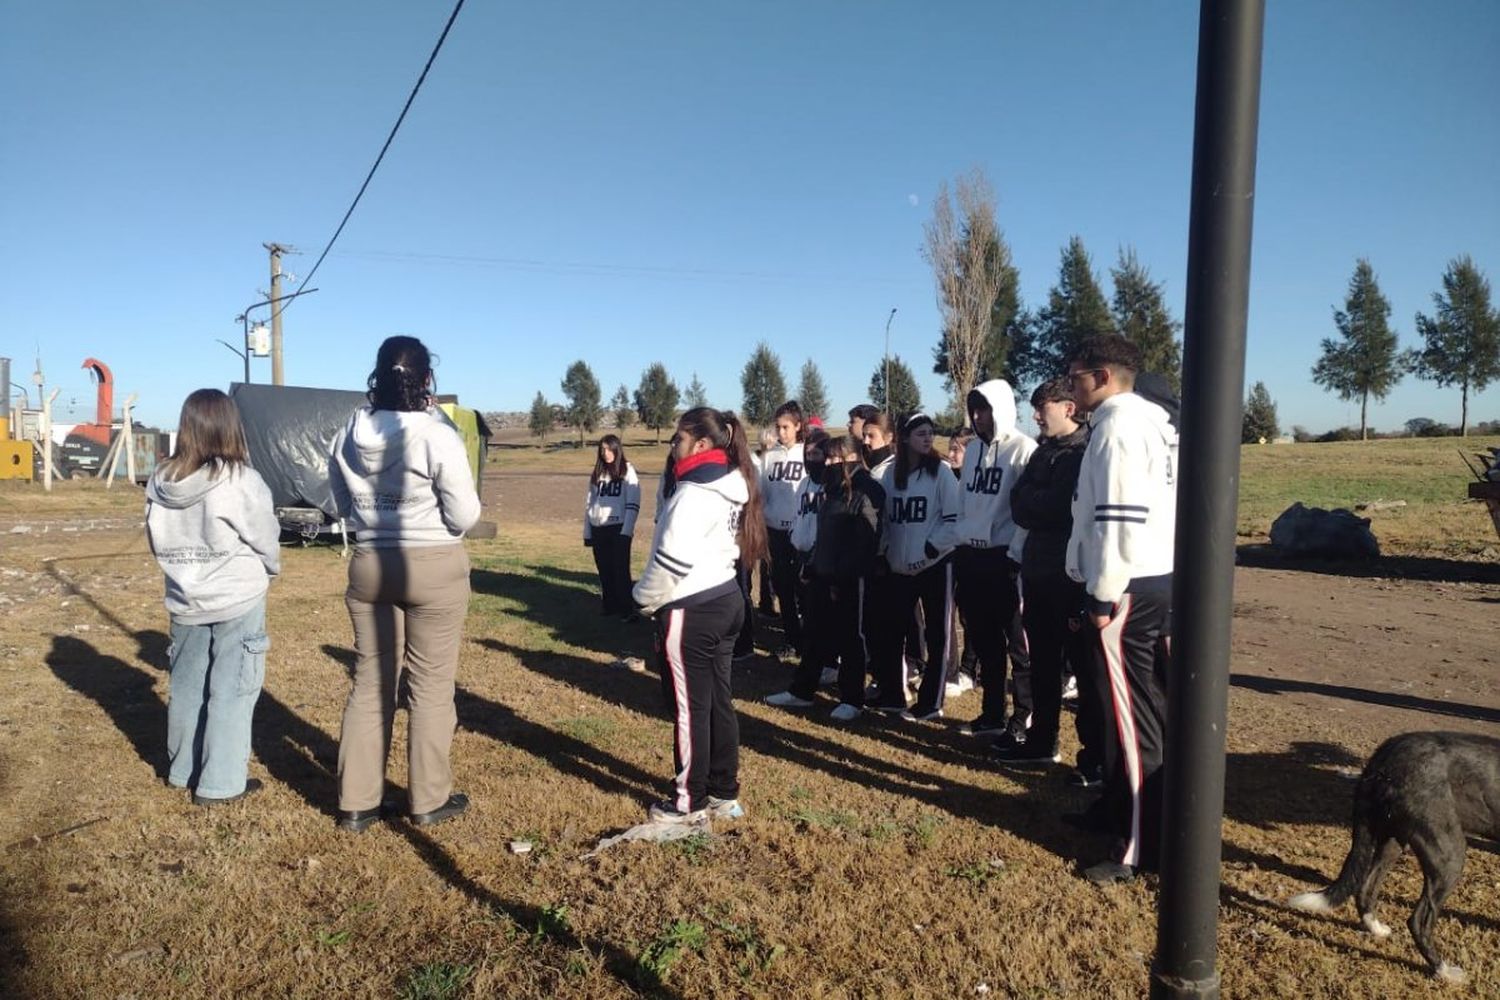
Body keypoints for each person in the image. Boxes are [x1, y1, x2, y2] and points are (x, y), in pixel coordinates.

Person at [329, 336, 482, 833]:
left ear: (376, 376)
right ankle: (429, 799)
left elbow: (342, 503)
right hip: (432, 564)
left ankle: (356, 802)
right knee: (431, 687)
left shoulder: (348, 432)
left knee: (370, 683)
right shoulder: (437, 435)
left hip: (370, 562)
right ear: (427, 379)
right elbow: (464, 514)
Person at [1063, 335, 1178, 885]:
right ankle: (1115, 808)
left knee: (1135, 720)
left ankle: (1139, 847)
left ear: (1103, 376)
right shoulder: (1151, 422)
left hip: (1128, 585)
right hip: (1154, 579)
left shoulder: (1118, 426)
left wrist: (1102, 593)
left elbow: (1118, 521)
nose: (1072, 386)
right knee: (1129, 711)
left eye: (1077, 375)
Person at [146, 389, 280, 806]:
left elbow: (156, 539)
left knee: (186, 687)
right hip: (237, 597)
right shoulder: (241, 481)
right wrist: (270, 569)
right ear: (230, 426)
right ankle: (220, 783)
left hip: (185, 598)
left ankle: (182, 769)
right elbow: (265, 536)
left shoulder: (160, 480)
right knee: (234, 689)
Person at [633, 407, 767, 823]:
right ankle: (724, 792)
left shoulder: (693, 493)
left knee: (691, 709)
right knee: (716, 701)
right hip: (726, 599)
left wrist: (640, 598)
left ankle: (688, 802)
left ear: (702, 444)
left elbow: (670, 564)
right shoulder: (731, 482)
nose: (673, 445)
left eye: (678, 438)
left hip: (692, 607)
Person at [999, 378, 1097, 777]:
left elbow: (1060, 508)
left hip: (1070, 576)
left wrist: (1035, 501)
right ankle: (1042, 741)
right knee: (1041, 663)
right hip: (1037, 569)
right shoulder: (1043, 452)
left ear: (1068, 408)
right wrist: (1035, 501)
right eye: (1034, 408)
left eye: (1043, 408)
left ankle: (1094, 759)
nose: (1035, 415)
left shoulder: (1083, 452)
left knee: (1083, 669)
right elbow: (1018, 502)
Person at [765, 435, 884, 720]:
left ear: (852, 457)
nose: (827, 463)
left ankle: (852, 699)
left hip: (851, 579)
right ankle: (802, 690)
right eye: (826, 457)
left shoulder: (868, 491)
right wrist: (815, 565)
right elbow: (824, 533)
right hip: (824, 573)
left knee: (851, 639)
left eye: (833, 458)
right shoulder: (833, 488)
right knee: (815, 634)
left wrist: (840, 578)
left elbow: (865, 541)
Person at [952, 380, 1038, 740]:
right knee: (985, 639)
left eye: (984, 408)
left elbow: (1027, 511)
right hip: (971, 555)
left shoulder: (1024, 450)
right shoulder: (972, 452)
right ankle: (991, 713)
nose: (977, 416)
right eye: (974, 409)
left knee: (1017, 643)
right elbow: (964, 499)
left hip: (1005, 557)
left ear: (1000, 409)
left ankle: (1024, 715)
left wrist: (1015, 552)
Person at [870, 413, 962, 719]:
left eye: (930, 433)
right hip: (899, 567)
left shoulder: (942, 473)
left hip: (935, 565)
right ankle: (893, 695)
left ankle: (931, 702)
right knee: (892, 632)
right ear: (905, 437)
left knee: (937, 635)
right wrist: (884, 553)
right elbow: (885, 519)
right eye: (920, 433)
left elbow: (954, 520)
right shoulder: (890, 474)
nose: (927, 438)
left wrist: (931, 547)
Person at [760, 400, 807, 660]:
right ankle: (791, 639)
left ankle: (809, 639)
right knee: (783, 588)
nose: (781, 432)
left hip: (800, 533)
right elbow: (762, 494)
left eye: (786, 427)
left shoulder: (806, 454)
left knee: (804, 588)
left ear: (798, 426)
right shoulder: (770, 457)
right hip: (775, 531)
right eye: (778, 427)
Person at [584, 434, 641, 619]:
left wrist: (627, 530)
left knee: (620, 570)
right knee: (604, 569)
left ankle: (626, 609)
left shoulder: (627, 470)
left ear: (617, 449)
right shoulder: (597, 473)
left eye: (609, 449)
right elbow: (589, 504)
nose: (606, 453)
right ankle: (609, 606)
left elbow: (633, 502)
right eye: (602, 449)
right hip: (599, 528)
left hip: (619, 528)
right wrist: (588, 531)